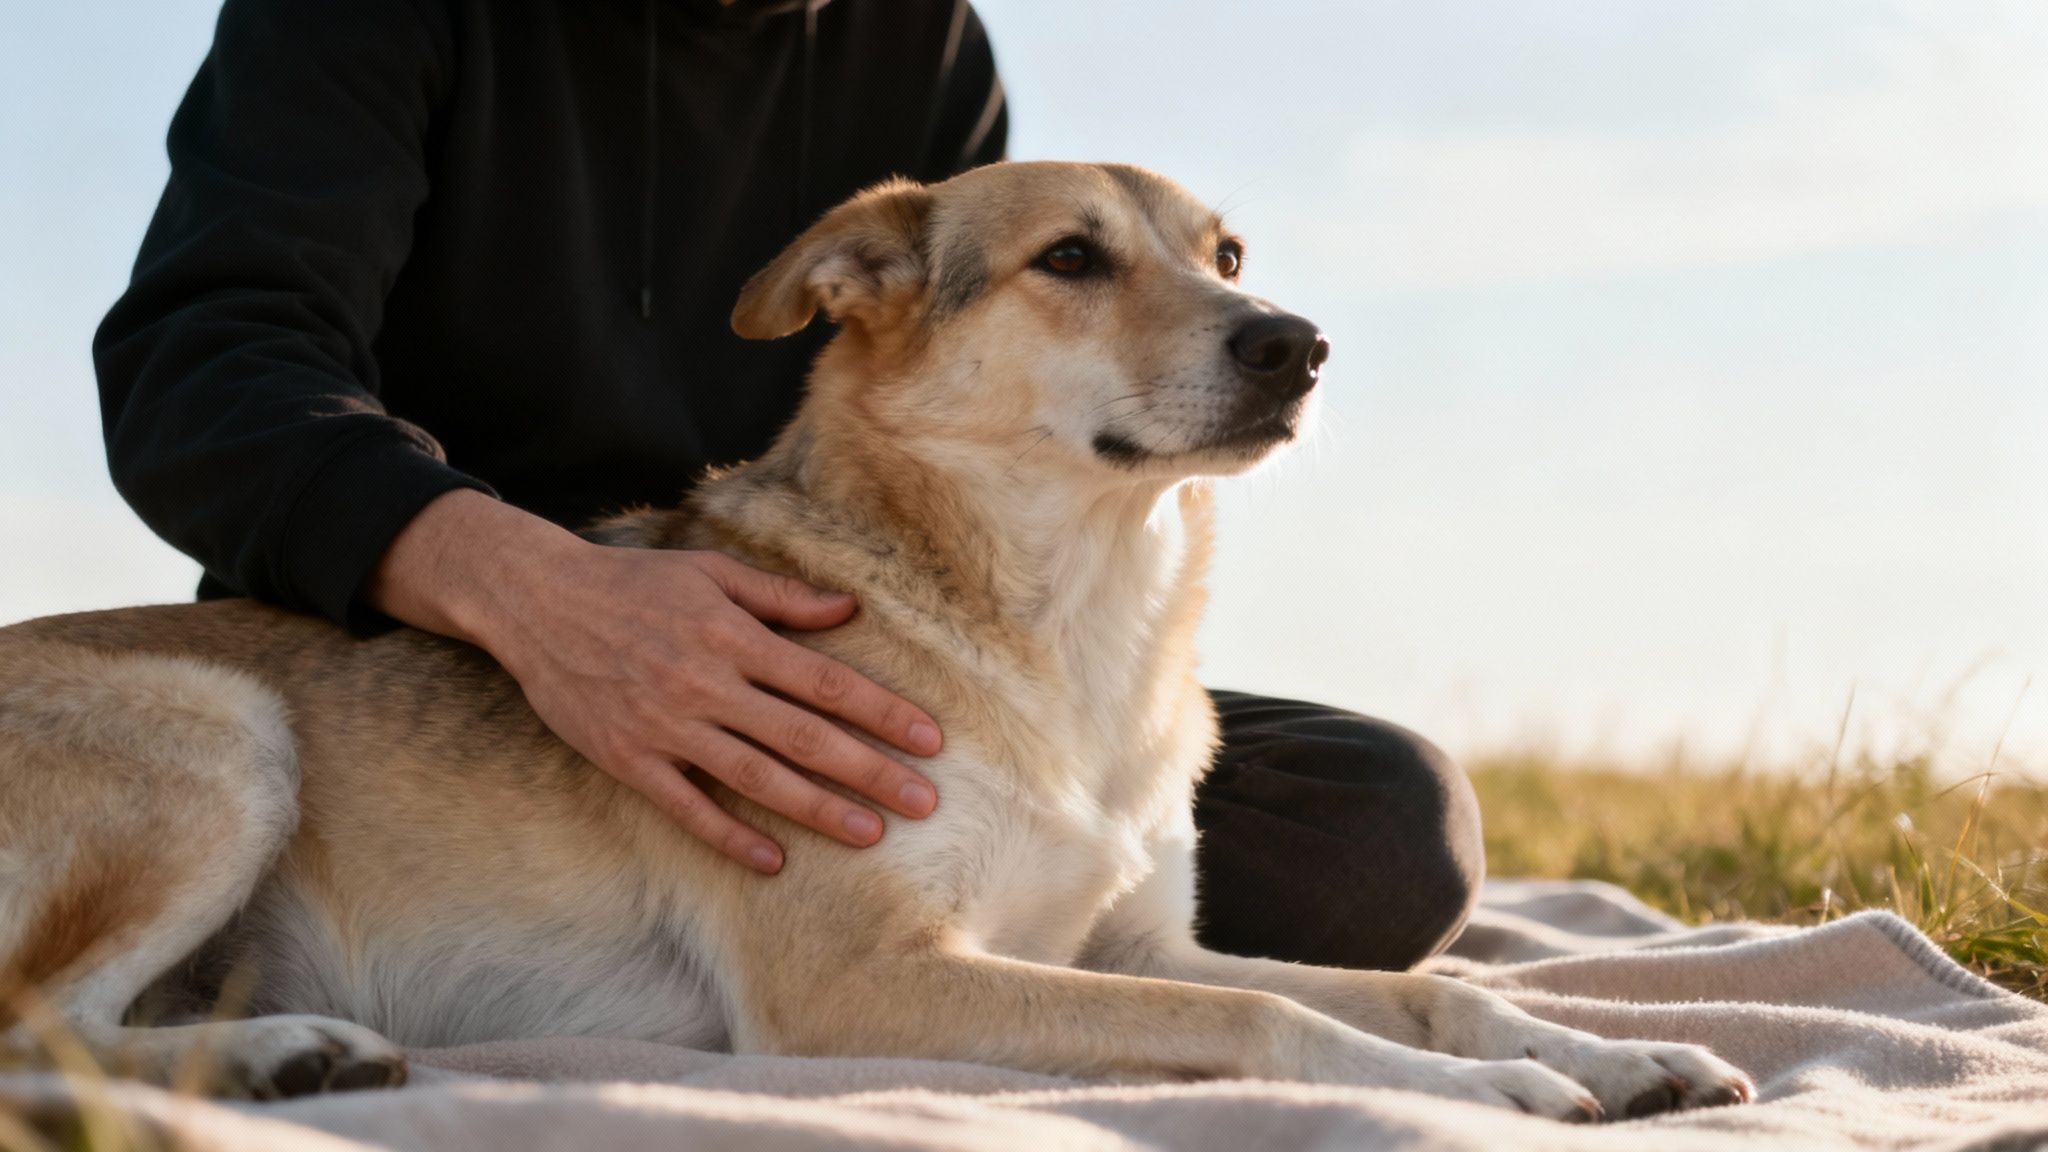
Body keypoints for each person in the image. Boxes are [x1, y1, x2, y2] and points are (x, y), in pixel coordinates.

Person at [94, 0, 1484, 971]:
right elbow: (202, 369)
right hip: (427, 661)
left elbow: (947, 405)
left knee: (1379, 827)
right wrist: (545, 597)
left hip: (828, 653)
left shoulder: (921, 36)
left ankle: (920, 944)